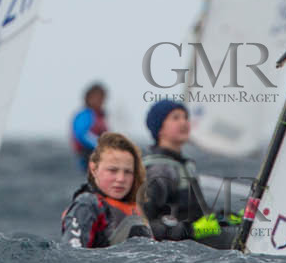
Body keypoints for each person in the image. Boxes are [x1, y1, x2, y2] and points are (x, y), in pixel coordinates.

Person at [141, 99, 234, 248]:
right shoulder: (158, 169)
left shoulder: (182, 166)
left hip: (193, 246)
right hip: (174, 253)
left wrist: (225, 218)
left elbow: (196, 215)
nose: (184, 123)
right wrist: (186, 230)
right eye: (175, 118)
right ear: (160, 128)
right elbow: (144, 225)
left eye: (185, 117)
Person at [61, 133, 151, 248]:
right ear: (94, 169)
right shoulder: (86, 204)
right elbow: (72, 255)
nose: (121, 179)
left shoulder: (140, 208)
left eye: (128, 172)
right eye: (113, 170)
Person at [68, 83, 108, 171]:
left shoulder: (100, 116)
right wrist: (101, 145)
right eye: (96, 98)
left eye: (101, 98)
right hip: (86, 156)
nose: (99, 101)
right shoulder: (85, 115)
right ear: (88, 98)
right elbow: (82, 135)